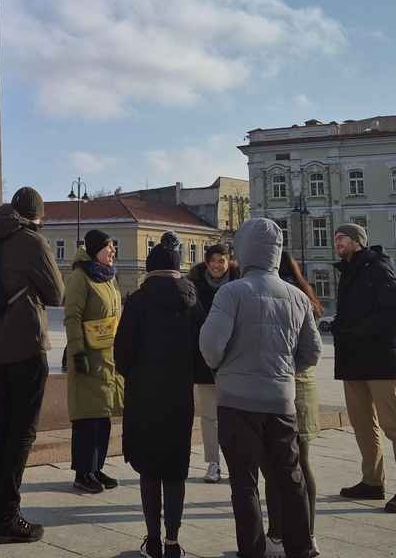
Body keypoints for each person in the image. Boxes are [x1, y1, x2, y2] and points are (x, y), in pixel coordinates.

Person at [199, 218, 320, 558]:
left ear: (245, 249)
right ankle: (301, 547)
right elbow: (312, 352)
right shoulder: (297, 297)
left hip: (238, 403)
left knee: (244, 482)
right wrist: (284, 373)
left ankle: (251, 550)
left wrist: (221, 369)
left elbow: (210, 344)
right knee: (289, 476)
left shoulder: (232, 292)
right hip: (281, 402)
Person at [0, 186, 64, 544]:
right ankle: (7, 517)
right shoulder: (31, 241)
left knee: (2, 429)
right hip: (26, 347)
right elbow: (56, 293)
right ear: (37, 215)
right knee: (22, 432)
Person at [115, 234, 205, 558]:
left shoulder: (138, 301)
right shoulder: (194, 301)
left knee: (149, 470)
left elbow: (121, 354)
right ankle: (173, 541)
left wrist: (137, 373)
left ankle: (152, 540)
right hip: (180, 397)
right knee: (176, 469)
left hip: (144, 398)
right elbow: (203, 350)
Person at [331, 222, 396, 515]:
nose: (337, 243)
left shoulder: (379, 267)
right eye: (336, 239)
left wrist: (358, 331)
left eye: (341, 238)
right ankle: (372, 481)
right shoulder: (348, 271)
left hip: (381, 360)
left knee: (395, 427)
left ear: (357, 241)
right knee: (363, 426)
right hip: (353, 360)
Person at [268, 250, 325, 551]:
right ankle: (309, 534)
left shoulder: (275, 294)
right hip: (304, 387)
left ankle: (276, 534)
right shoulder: (304, 293)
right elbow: (313, 351)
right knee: (301, 464)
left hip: (280, 387)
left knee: (275, 467)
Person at [63, 228, 124, 494]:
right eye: (107, 247)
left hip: (108, 357)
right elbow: (72, 317)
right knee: (87, 418)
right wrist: (77, 353)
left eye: (113, 247)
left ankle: (96, 467)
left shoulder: (108, 277)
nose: (112, 252)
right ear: (94, 250)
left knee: (102, 417)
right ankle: (82, 472)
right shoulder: (80, 277)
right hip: (87, 356)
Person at [189, 242, 241, 483]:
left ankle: (238, 462)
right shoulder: (195, 287)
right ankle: (213, 463)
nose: (217, 266)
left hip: (235, 359)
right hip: (204, 359)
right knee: (209, 415)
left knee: (236, 414)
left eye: (222, 261)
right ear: (206, 262)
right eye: (213, 261)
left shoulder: (241, 283)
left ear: (228, 260)